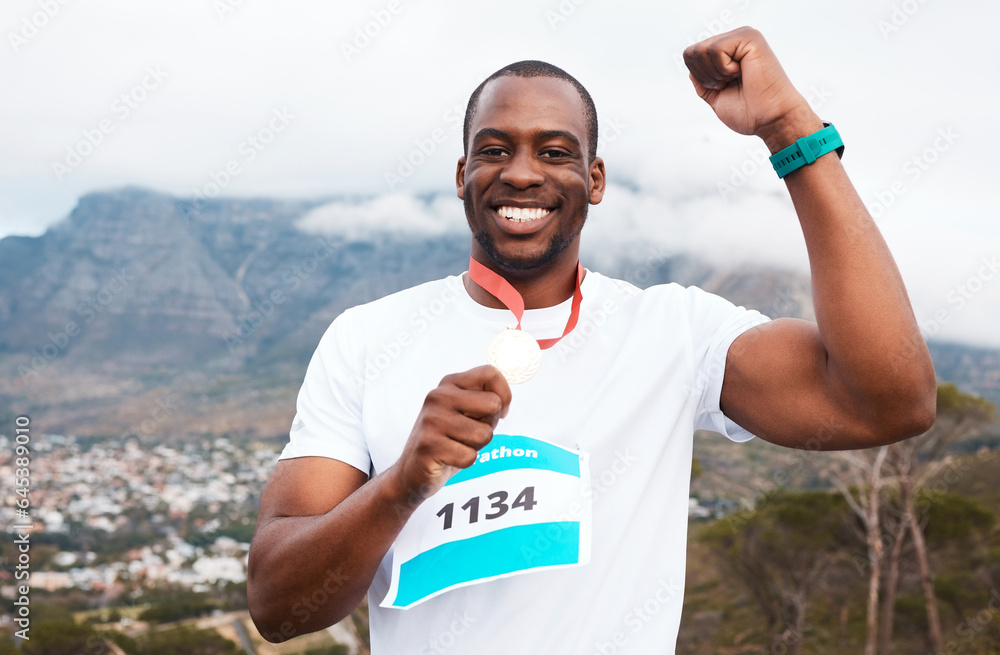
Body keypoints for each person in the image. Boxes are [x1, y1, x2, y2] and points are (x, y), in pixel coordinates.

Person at [247, 27, 936, 654]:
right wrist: (401, 484)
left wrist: (789, 127)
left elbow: (890, 399)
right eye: (494, 150)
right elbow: (277, 603)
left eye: (555, 151)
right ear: (461, 176)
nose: (521, 172)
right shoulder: (367, 338)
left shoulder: (675, 332)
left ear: (594, 180)